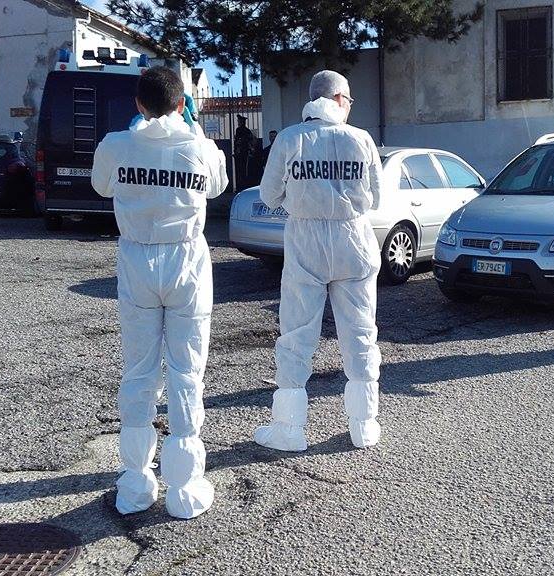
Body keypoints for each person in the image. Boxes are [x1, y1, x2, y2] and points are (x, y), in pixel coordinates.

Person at [91, 66, 228, 519]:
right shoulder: (200, 147)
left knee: (139, 371)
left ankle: (134, 483)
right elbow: (219, 186)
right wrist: (193, 128)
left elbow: (100, 185)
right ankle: (185, 486)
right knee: (187, 370)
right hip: (186, 260)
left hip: (137, 259)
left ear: (137, 104)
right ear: (180, 103)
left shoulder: (116, 145)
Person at [254, 70, 384, 451]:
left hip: (306, 237)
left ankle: (289, 428)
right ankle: (364, 423)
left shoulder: (291, 138)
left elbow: (267, 194)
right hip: (353, 237)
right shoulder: (361, 139)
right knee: (360, 329)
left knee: (297, 331)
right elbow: (375, 196)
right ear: (340, 99)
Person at [233, 114, 254, 190]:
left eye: (239, 121)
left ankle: (241, 186)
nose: (238, 122)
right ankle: (243, 186)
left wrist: (236, 151)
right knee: (243, 171)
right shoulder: (247, 131)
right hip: (244, 154)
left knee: (241, 171)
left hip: (241, 154)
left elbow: (238, 142)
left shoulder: (240, 130)